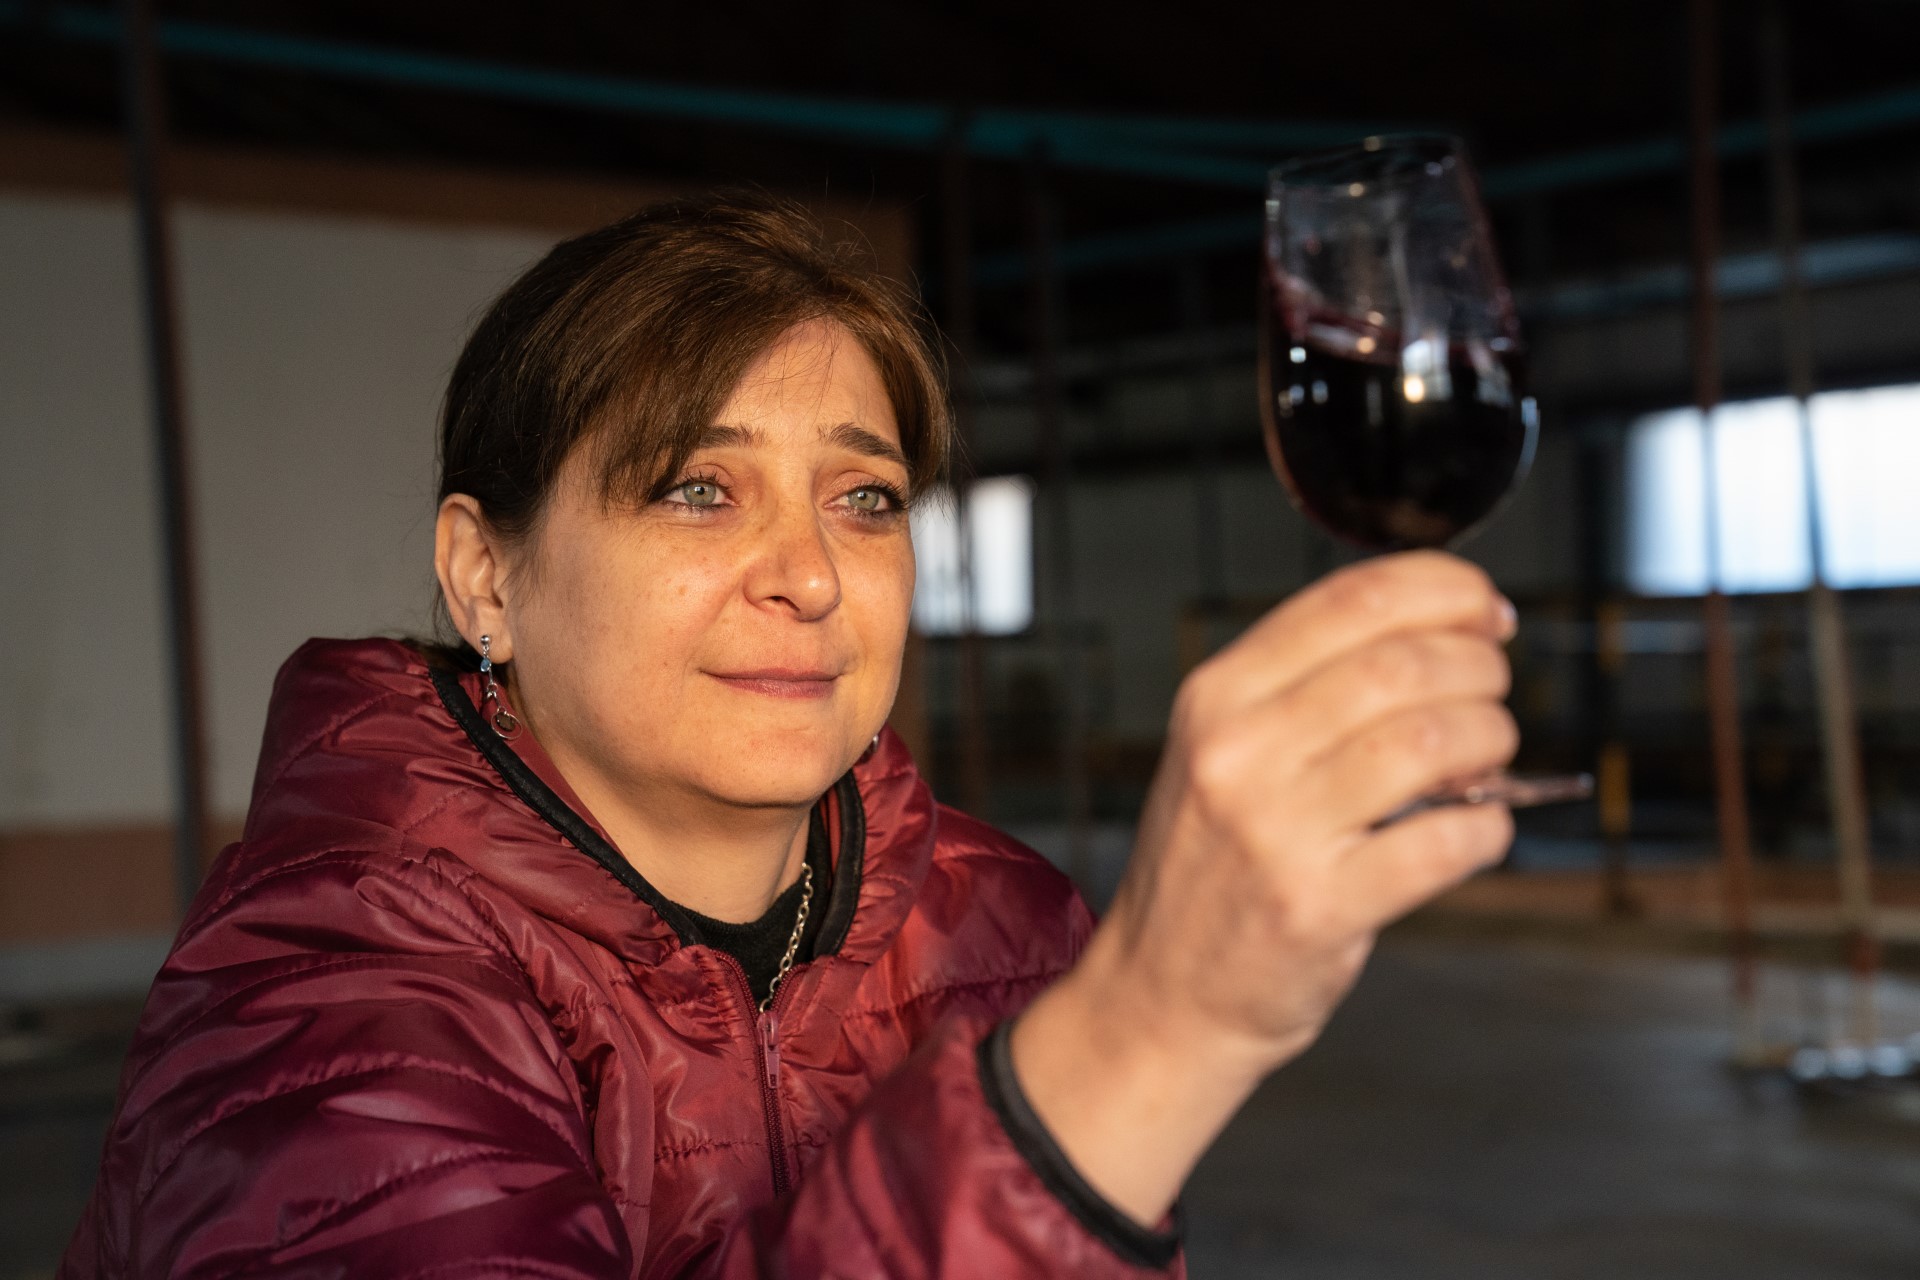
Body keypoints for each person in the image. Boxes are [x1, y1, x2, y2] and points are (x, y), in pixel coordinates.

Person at [60, 197, 1518, 1279]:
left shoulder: (1003, 921)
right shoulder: (322, 977)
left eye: (864, 499)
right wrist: (1143, 1039)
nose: (810, 573)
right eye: (701, 488)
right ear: (485, 577)